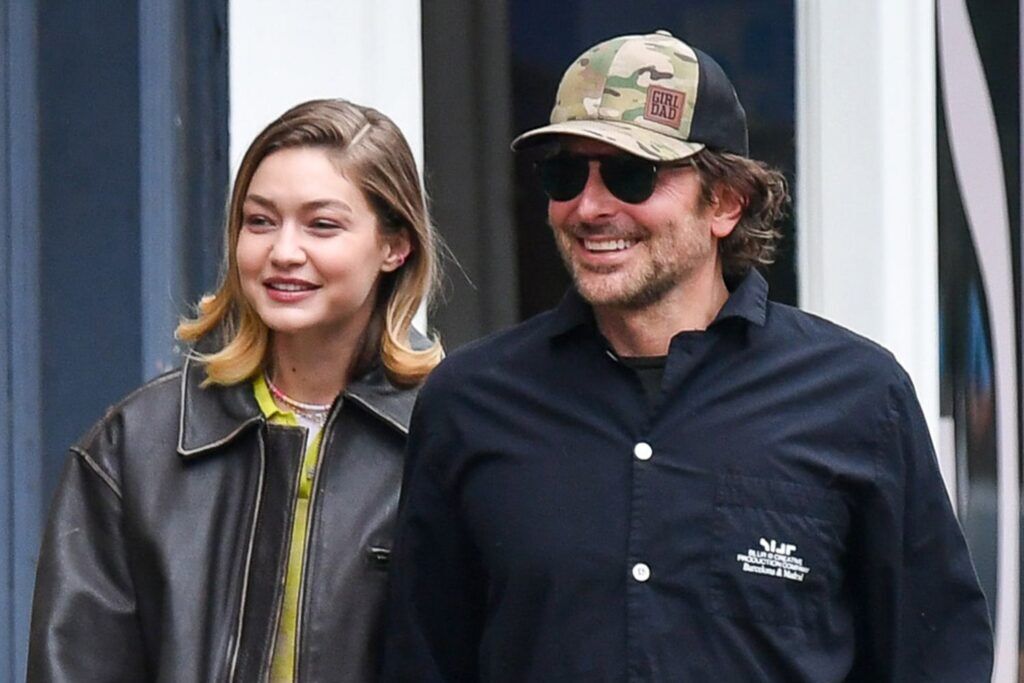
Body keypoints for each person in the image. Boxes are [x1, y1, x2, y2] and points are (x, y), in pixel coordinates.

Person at [382, 31, 993, 682]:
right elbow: (423, 661)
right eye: (565, 173)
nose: (589, 207)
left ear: (727, 201)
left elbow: (938, 658)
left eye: (630, 173)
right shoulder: (471, 401)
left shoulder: (860, 397)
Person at [28, 98, 442, 682]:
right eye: (260, 221)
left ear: (395, 246)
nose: (283, 252)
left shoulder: (452, 438)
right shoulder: (138, 445)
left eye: (322, 224)